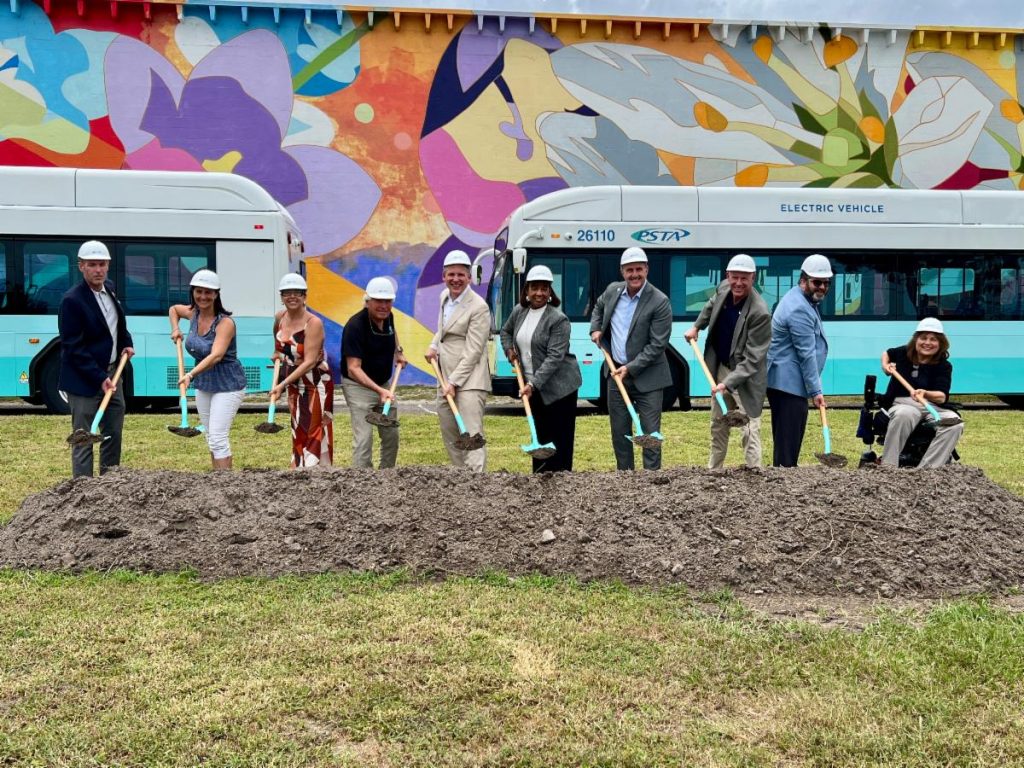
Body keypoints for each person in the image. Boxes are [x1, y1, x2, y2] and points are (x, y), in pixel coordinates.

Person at [589, 246, 673, 471]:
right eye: (629, 270)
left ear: (647, 269)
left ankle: (651, 481)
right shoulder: (612, 291)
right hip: (615, 375)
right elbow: (598, 307)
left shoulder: (659, 301)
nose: (634, 274)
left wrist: (630, 367)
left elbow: (658, 345)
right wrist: (595, 329)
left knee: (650, 434)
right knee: (620, 433)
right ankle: (626, 481)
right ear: (622, 271)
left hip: (649, 378)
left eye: (639, 269)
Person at [684, 253, 771, 469]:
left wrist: (728, 383)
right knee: (718, 422)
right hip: (722, 366)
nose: (738, 283)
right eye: (735, 277)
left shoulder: (760, 312)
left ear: (753, 278)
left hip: (746, 378)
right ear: (727, 276)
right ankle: (714, 470)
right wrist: (697, 326)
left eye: (744, 278)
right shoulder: (724, 289)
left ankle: (754, 473)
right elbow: (710, 306)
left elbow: (752, 360)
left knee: (749, 427)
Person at [58, 240, 134, 477]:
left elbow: (117, 324)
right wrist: (99, 377)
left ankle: (109, 484)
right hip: (84, 380)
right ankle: (82, 491)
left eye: (102, 264)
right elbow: (73, 346)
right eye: (92, 265)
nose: (98, 270)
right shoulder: (72, 301)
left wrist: (126, 343)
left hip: (114, 373)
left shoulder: (109, 288)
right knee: (84, 436)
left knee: (113, 432)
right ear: (81, 266)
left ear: (108, 266)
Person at [499, 265, 583, 472]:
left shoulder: (558, 319)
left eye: (544, 288)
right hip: (533, 385)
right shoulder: (520, 312)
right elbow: (505, 332)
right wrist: (509, 350)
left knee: (559, 441)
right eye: (534, 288)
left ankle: (562, 483)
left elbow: (555, 357)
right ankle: (540, 483)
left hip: (560, 388)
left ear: (550, 292)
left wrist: (533, 384)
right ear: (526, 291)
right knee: (540, 435)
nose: (539, 293)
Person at [168, 269, 247, 470]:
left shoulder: (225, 323)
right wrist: (175, 329)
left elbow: (216, 356)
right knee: (211, 437)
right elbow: (173, 309)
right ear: (193, 292)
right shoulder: (193, 314)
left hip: (228, 384)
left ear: (216, 294)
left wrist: (190, 374)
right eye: (199, 291)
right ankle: (217, 483)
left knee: (218, 437)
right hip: (204, 383)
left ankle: (224, 486)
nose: (203, 296)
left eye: (208, 292)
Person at [425, 250, 491, 473]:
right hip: (444, 377)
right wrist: (434, 345)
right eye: (451, 274)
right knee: (451, 434)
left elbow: (473, 351)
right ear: (444, 276)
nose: (455, 279)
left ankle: (475, 482)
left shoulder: (478, 307)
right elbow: (444, 329)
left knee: (471, 436)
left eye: (461, 275)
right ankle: (460, 480)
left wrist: (454, 382)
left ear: (469, 277)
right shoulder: (444, 297)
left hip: (469, 381)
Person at [765, 254, 833, 467]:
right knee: (788, 447)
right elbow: (806, 354)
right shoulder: (798, 309)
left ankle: (782, 481)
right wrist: (816, 391)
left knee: (786, 443)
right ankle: (783, 487)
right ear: (803, 280)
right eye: (816, 282)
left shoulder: (800, 299)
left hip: (785, 383)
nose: (821, 287)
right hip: (788, 385)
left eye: (826, 283)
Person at [341, 277, 408, 468]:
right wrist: (380, 391)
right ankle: (363, 483)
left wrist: (399, 352)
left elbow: (392, 331)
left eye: (388, 301)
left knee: (391, 435)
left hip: (384, 383)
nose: (383, 306)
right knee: (364, 439)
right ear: (368, 301)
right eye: (379, 301)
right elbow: (353, 369)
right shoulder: (355, 327)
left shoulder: (389, 317)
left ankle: (386, 477)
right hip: (358, 386)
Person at [879, 317, 964, 468]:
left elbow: (942, 396)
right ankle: (888, 467)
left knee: (955, 423)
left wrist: (925, 393)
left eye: (933, 339)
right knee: (904, 414)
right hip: (903, 403)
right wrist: (885, 366)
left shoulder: (944, 366)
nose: (927, 343)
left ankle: (926, 472)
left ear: (940, 343)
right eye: (923, 338)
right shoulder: (903, 353)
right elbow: (886, 353)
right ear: (916, 340)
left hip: (933, 406)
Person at [270, 273, 334, 467]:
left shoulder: (313, 323)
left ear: (305, 296)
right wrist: (277, 352)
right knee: (298, 426)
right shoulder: (279, 318)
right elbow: (278, 338)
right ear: (281, 296)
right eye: (287, 293)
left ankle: (311, 474)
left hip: (315, 381)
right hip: (293, 380)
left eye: (297, 293)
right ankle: (302, 472)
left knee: (313, 429)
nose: (292, 297)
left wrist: (281, 384)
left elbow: (309, 361)